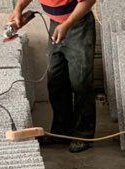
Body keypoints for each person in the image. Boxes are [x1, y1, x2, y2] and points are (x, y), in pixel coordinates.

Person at [10, 0, 97, 153]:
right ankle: (61, 132)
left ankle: (83, 135)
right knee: (56, 79)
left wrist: (67, 24)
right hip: (56, 24)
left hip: (78, 25)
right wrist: (18, 9)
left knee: (80, 81)